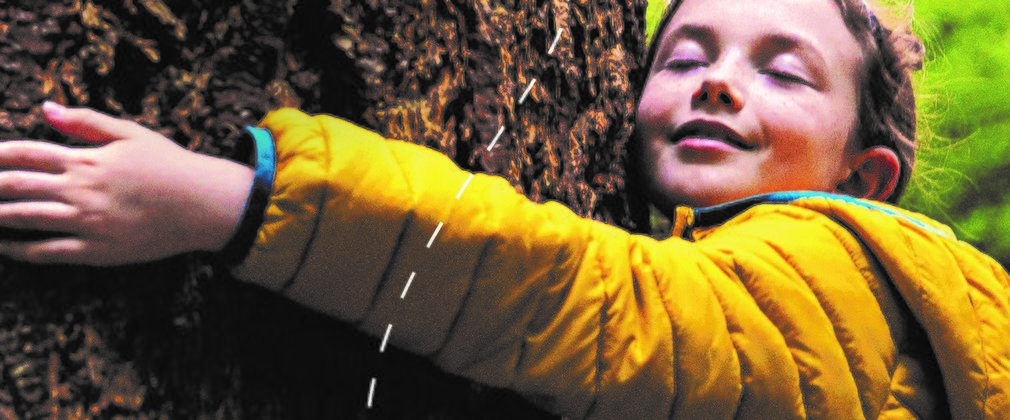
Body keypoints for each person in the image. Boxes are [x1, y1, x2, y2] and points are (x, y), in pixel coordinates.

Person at [1, 0, 1008, 418]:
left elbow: (583, 302)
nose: (715, 85)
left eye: (782, 75)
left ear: (862, 178)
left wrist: (228, 200)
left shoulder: (840, 264)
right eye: (685, 57)